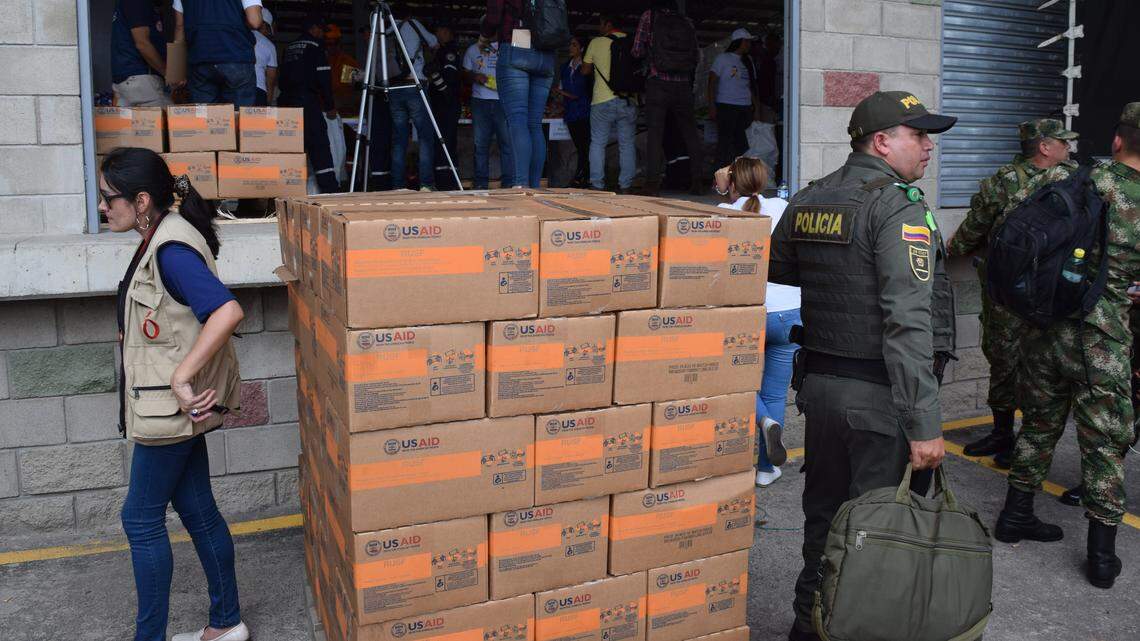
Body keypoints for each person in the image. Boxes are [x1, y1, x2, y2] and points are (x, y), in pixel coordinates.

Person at [768, 91, 957, 641]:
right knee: (873, 536)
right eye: (918, 136)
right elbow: (908, 323)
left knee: (824, 521)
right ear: (881, 141)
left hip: (822, 391)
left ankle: (807, 627)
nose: (928, 147)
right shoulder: (898, 206)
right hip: (879, 400)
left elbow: (782, 268)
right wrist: (924, 425)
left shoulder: (809, 198)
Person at [993, 103, 1140, 590]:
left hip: (1047, 328)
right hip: (1103, 339)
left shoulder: (1078, 180)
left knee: (1037, 424)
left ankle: (1016, 515)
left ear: (1117, 140)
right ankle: (1101, 558)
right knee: (1105, 443)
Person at [101, 148, 246, 641]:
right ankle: (226, 624)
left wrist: (183, 376)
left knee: (139, 519)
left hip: (171, 410)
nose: (103, 207)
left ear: (141, 200)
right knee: (198, 509)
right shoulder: (158, 236)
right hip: (171, 409)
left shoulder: (171, 249)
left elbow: (225, 312)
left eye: (109, 198)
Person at [946, 119, 1079, 469]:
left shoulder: (1067, 179)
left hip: (1030, 291)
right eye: (1063, 142)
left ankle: (1019, 440)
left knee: (1020, 364)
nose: (1069, 148)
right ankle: (1007, 436)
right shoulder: (1018, 181)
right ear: (1044, 147)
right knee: (1010, 361)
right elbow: (976, 226)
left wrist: (950, 249)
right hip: (1024, 292)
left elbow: (973, 230)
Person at [714, 156, 794, 486]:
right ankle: (765, 468)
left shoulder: (723, 212)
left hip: (749, 314)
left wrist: (720, 187)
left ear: (730, 182)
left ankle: (761, 419)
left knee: (737, 380)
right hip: (791, 311)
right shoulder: (783, 206)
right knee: (775, 392)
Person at [482, 0, 562, 188]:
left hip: (517, 47)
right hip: (546, 52)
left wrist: (484, 33)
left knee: (518, 120)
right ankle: (534, 186)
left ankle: (520, 185)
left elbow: (493, 17)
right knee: (534, 124)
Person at [631, 0, 704, 196]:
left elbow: (637, 50)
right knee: (691, 133)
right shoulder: (686, 21)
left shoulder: (650, 16)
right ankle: (697, 181)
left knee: (655, 134)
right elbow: (696, 56)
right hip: (682, 84)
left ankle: (652, 184)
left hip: (658, 82)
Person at [278, 15, 340, 194]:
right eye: (321, 30)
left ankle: (288, 190)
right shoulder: (316, 47)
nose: (323, 34)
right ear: (313, 29)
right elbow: (324, 80)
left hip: (287, 105)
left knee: (292, 149)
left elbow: (282, 80)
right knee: (319, 146)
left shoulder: (289, 47)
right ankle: (329, 190)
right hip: (307, 102)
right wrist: (330, 106)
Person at [385, 6, 438, 190]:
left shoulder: (388, 31)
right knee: (424, 137)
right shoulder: (414, 24)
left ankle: (398, 185)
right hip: (415, 85)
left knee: (399, 139)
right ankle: (425, 184)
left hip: (394, 87)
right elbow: (434, 43)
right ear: (409, 14)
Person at [582, 15, 636, 193]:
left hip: (602, 100)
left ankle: (597, 185)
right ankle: (625, 186)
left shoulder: (596, 42)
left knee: (597, 143)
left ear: (608, 23)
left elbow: (585, 70)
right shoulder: (632, 42)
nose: (599, 27)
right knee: (627, 144)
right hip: (627, 99)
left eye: (600, 23)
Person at [173, 0, 262, 106]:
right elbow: (255, 21)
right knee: (240, 118)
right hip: (236, 56)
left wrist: (175, 72)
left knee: (205, 118)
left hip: (200, 58)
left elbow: (179, 26)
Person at [464, 35, 514, 189]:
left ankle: (508, 183)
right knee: (481, 145)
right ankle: (480, 184)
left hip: (503, 101)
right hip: (480, 102)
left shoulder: (506, 49)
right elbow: (464, 73)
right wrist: (474, 76)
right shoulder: (472, 49)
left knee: (506, 144)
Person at [709, 29, 758, 168]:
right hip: (726, 105)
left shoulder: (748, 61)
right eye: (747, 41)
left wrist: (756, 108)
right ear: (739, 42)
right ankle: (720, 176)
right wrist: (712, 105)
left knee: (742, 143)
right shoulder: (722, 59)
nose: (749, 45)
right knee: (725, 142)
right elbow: (711, 82)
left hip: (745, 107)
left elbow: (751, 86)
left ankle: (739, 175)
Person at [112, 0, 172, 107]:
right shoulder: (137, 3)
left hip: (128, 80)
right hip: (142, 80)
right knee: (174, 121)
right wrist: (168, 74)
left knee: (130, 124)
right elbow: (142, 44)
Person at [429, 22, 462, 190]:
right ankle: (445, 180)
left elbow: (449, 82)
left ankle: (447, 182)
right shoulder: (440, 51)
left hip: (447, 105)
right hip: (442, 104)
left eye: (439, 30)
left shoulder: (449, 52)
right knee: (443, 142)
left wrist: (434, 75)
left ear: (447, 31)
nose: (437, 34)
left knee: (445, 142)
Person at [556, 36, 591, 188]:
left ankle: (582, 177)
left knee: (584, 146)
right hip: (570, 112)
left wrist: (561, 93)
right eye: (570, 44)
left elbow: (579, 92)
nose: (571, 47)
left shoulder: (586, 67)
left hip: (584, 111)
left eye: (574, 45)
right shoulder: (565, 67)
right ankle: (581, 177)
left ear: (582, 49)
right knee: (580, 146)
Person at [324, 24, 360, 116]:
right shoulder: (323, 61)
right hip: (328, 105)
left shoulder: (348, 62)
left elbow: (348, 89)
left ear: (339, 44)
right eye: (327, 44)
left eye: (333, 43)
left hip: (343, 108)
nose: (330, 47)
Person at [252, 8, 277, 106]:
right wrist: (268, 101)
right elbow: (270, 79)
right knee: (255, 121)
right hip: (258, 90)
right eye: (268, 30)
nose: (268, 33)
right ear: (264, 25)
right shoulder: (269, 45)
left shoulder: (239, 36)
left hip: (235, 88)